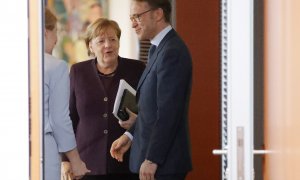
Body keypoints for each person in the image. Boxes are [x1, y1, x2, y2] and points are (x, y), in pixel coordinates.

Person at [110, 0, 193, 180]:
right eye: (131, 18)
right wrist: (130, 136)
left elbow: (168, 113)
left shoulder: (172, 51)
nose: (132, 24)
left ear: (158, 14)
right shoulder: (156, 49)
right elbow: (150, 110)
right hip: (154, 161)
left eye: (137, 17)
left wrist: (153, 158)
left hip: (163, 165)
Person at [69, 17, 145, 180]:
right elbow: (70, 119)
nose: (108, 45)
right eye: (101, 40)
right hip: (86, 164)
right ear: (90, 45)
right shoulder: (78, 72)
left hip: (126, 163)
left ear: (118, 42)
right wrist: (67, 160)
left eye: (112, 39)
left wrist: (136, 122)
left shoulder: (137, 69)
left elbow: (149, 113)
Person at [43, 7, 90, 180]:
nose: (57, 39)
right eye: (56, 31)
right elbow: (59, 119)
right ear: (44, 32)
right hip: (43, 152)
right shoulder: (56, 66)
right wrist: (75, 161)